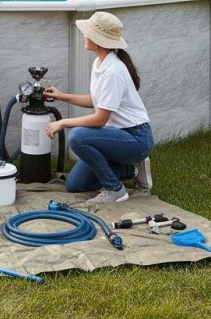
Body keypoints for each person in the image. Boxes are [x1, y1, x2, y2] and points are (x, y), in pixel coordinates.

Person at [44, 11, 153, 204]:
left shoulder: (113, 71)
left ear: (99, 39)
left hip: (136, 139)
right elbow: (97, 101)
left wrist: (62, 123)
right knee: (75, 184)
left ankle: (115, 190)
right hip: (116, 136)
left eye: (88, 32)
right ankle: (132, 169)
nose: (84, 35)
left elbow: (99, 119)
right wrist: (62, 96)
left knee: (77, 137)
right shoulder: (100, 63)